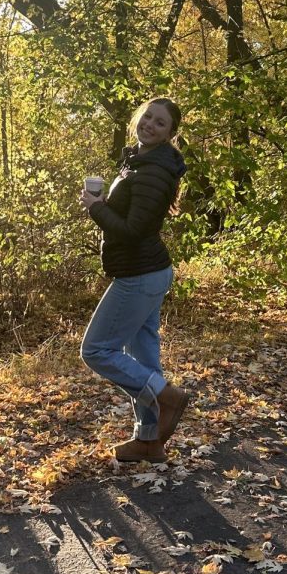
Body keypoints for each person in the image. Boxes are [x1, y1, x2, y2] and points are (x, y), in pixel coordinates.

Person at [79, 98, 191, 463]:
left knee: (96, 350)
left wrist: (96, 208)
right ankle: (149, 439)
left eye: (161, 123)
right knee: (143, 357)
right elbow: (130, 217)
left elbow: (133, 230)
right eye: (147, 117)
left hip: (140, 275)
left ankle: (168, 396)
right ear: (137, 119)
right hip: (146, 272)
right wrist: (100, 204)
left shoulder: (154, 170)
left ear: (170, 134)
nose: (150, 125)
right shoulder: (140, 160)